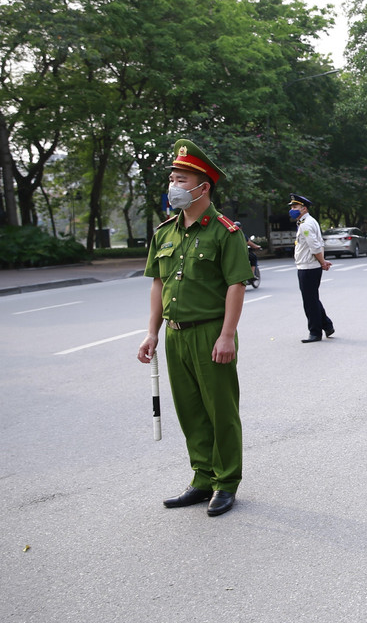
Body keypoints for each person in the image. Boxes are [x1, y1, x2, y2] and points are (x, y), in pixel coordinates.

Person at [136, 139, 250, 517]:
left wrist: (227, 335)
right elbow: (158, 284)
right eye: (172, 177)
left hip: (210, 332)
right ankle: (202, 479)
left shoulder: (224, 232)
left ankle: (226, 482)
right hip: (175, 334)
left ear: (203, 186)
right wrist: (152, 332)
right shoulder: (165, 233)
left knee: (221, 410)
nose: (173, 185)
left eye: (180, 178)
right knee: (190, 410)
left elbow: (236, 284)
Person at [289, 194, 333, 343]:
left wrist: (322, 262)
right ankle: (327, 325)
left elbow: (314, 246)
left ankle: (315, 332)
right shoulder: (307, 221)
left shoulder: (306, 225)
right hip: (309, 265)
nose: (292, 210)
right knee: (313, 298)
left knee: (309, 301)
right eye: (292, 207)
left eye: (295, 207)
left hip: (308, 267)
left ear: (304, 208)